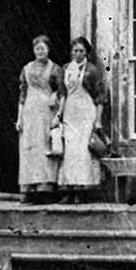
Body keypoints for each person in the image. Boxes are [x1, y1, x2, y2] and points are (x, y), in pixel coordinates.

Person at [57, 37, 109, 204]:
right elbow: (63, 94)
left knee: (83, 152)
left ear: (86, 52)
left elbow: (101, 97)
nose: (77, 54)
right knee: (69, 153)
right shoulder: (65, 69)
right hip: (70, 112)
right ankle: (69, 190)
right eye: (75, 50)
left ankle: (81, 191)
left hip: (86, 113)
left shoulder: (92, 71)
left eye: (81, 51)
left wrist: (98, 121)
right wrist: (58, 115)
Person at [16, 35, 63, 202]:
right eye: (37, 49)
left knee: (45, 147)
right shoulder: (27, 69)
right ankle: (29, 188)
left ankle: (45, 188)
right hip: (30, 111)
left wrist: (55, 95)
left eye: (43, 49)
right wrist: (19, 118)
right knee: (29, 148)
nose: (40, 52)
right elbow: (22, 94)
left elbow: (62, 90)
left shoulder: (55, 69)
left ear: (48, 50)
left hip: (47, 111)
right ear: (33, 51)